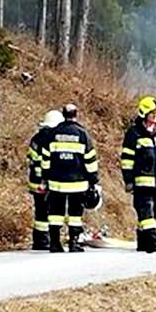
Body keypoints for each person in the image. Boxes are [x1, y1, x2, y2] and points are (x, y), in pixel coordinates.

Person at [41, 104, 99, 253]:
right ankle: (74, 243)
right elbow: (90, 160)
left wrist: (45, 177)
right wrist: (93, 179)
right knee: (75, 214)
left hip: (56, 183)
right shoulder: (82, 134)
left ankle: (55, 243)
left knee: (55, 213)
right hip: (77, 183)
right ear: (76, 115)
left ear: (63, 115)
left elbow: (45, 158)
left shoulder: (53, 133)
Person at [120, 96, 156, 253]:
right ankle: (152, 241)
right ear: (144, 113)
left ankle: (143, 242)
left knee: (151, 214)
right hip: (141, 183)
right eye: (152, 113)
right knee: (146, 211)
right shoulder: (134, 134)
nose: (155, 116)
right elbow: (127, 159)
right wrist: (128, 180)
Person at [26, 109, 64, 250]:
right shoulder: (54, 139)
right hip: (49, 181)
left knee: (40, 210)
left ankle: (40, 241)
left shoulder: (36, 139)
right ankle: (49, 240)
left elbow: (31, 159)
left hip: (35, 182)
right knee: (52, 210)